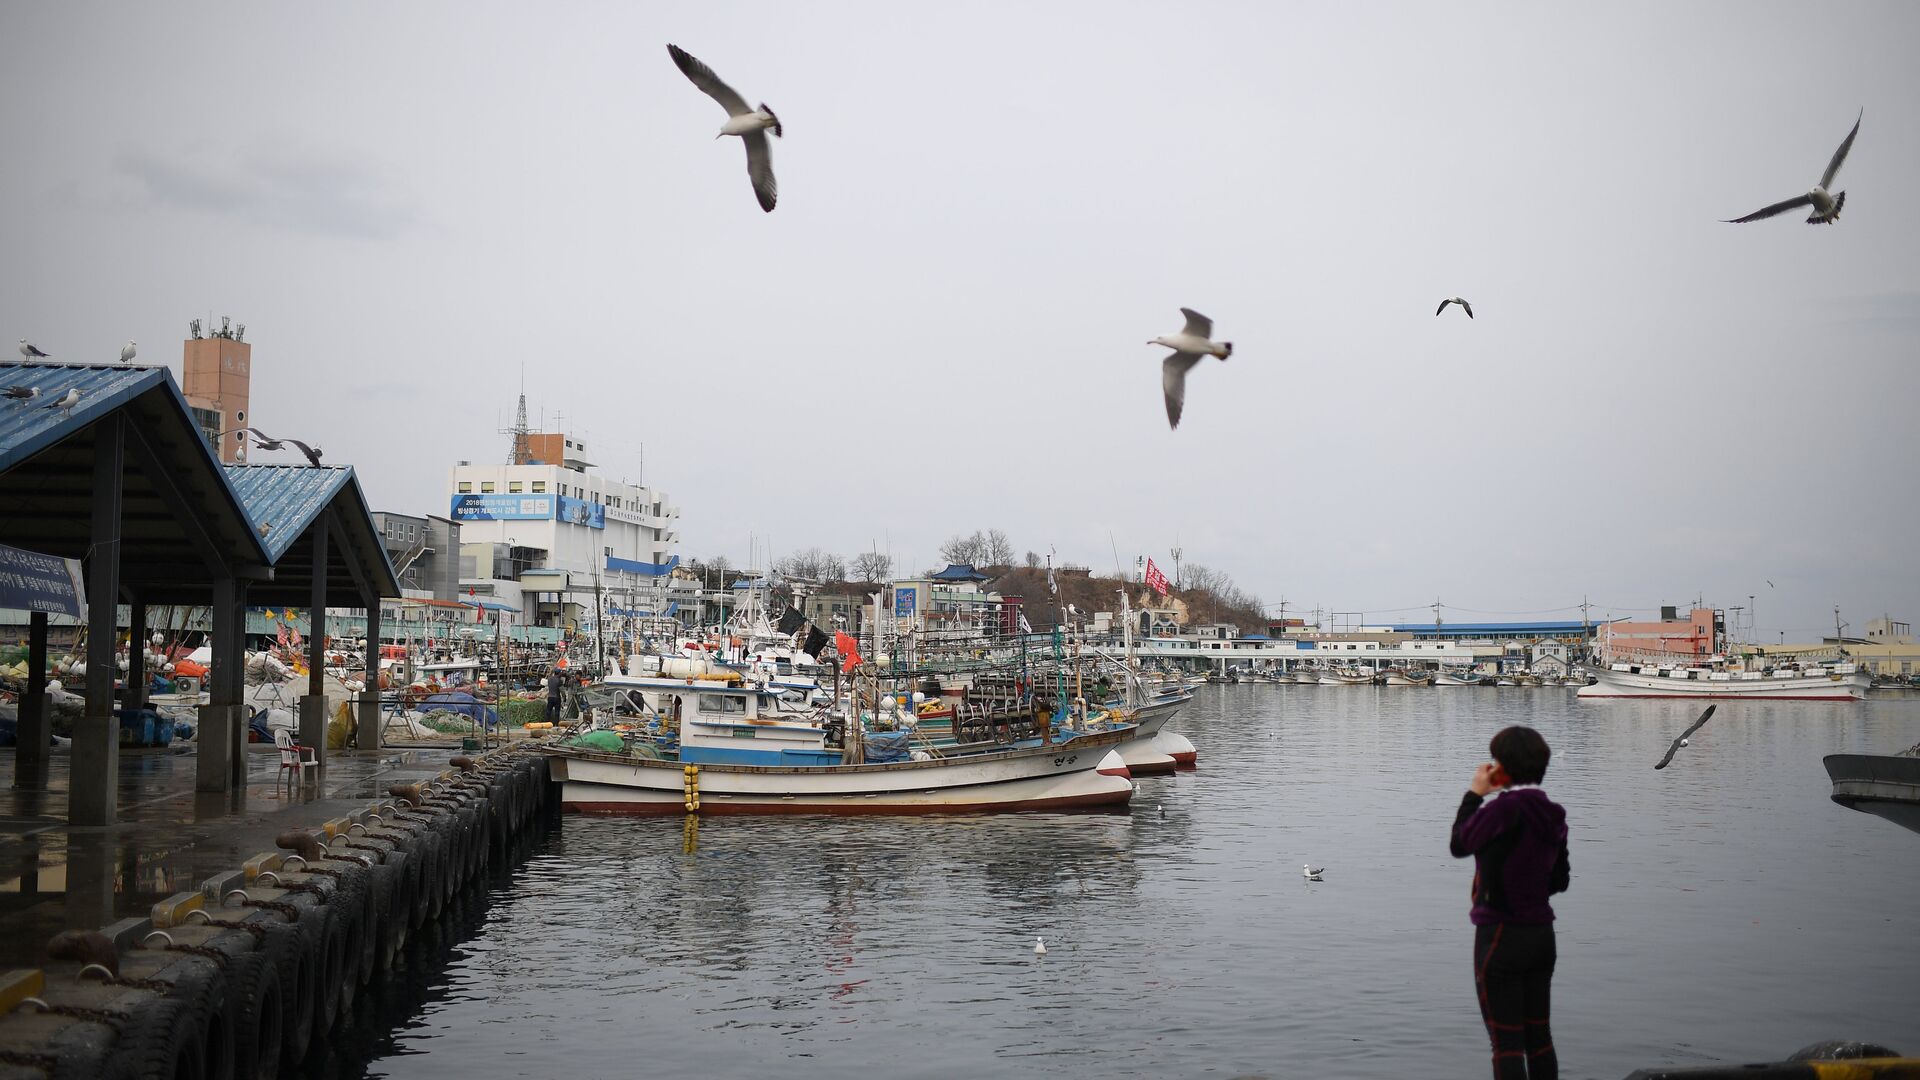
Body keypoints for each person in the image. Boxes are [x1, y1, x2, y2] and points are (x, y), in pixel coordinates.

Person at [1449, 725, 1570, 1080]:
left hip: (1500, 935)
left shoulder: (1501, 812)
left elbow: (1459, 843)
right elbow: (1559, 880)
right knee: (1540, 1038)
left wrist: (1474, 794)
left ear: (1502, 770)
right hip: (1541, 935)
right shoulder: (1554, 814)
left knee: (1507, 1044)